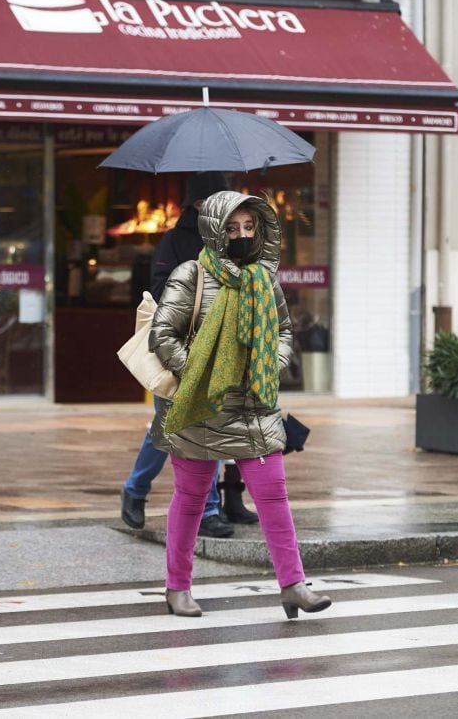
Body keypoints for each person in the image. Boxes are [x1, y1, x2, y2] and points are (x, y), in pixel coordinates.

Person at [149, 191, 332, 619]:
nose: (242, 235)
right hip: (200, 405)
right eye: (232, 228)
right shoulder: (190, 274)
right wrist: (203, 370)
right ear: (214, 230)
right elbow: (163, 335)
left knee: (274, 496)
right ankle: (177, 588)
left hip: (256, 405)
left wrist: (274, 361)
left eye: (249, 227)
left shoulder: (265, 279)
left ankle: (293, 585)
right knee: (192, 499)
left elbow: (285, 331)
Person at [120, 172, 257, 539]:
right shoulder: (175, 242)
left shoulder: (232, 240)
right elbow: (161, 291)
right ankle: (135, 490)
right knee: (166, 427)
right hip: (179, 345)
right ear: (200, 204)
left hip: (222, 347)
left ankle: (211, 508)